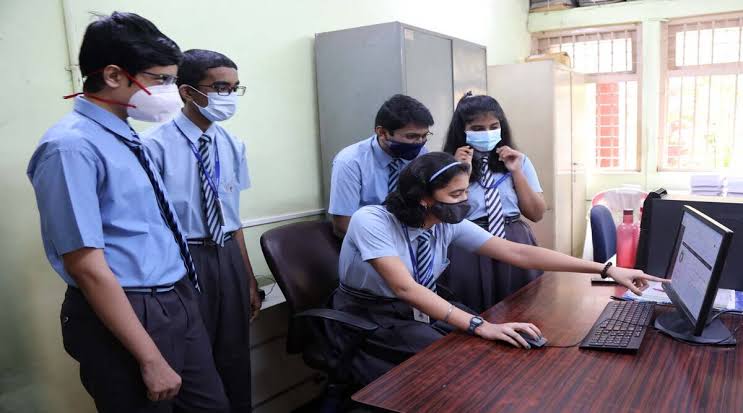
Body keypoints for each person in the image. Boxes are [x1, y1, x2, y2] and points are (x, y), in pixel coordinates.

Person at [27, 12, 229, 412]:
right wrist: (150, 359)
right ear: (114, 75)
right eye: (161, 80)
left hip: (175, 297)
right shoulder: (71, 148)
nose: (171, 92)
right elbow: (86, 266)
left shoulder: (126, 136)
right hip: (130, 308)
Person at [328, 152, 664, 385]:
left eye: (466, 191)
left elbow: (516, 252)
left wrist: (606, 270)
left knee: (491, 346)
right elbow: (406, 288)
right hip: (371, 316)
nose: (465, 202)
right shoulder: (371, 220)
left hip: (420, 308)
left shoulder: (444, 221)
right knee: (457, 360)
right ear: (424, 197)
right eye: (456, 194)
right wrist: (480, 325)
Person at [143, 49, 261, 412]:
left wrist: (247, 277)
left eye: (234, 88)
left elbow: (233, 218)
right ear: (187, 91)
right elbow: (150, 224)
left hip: (226, 254)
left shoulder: (232, 144)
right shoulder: (153, 146)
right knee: (193, 356)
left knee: (235, 355)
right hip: (182, 259)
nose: (229, 96)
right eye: (220, 87)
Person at [440, 93, 547, 313]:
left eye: (493, 126)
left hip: (514, 237)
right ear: (462, 131)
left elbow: (536, 213)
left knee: (522, 308)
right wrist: (459, 171)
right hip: (469, 242)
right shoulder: (446, 164)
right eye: (477, 128)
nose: (487, 133)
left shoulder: (519, 160)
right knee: (472, 309)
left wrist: (516, 172)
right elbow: (446, 214)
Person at [328, 94, 433, 237]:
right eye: (411, 136)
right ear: (382, 132)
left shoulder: (421, 154)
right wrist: (386, 244)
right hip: (366, 240)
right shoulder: (350, 162)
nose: (419, 142)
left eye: (424, 136)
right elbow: (343, 225)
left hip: (411, 235)